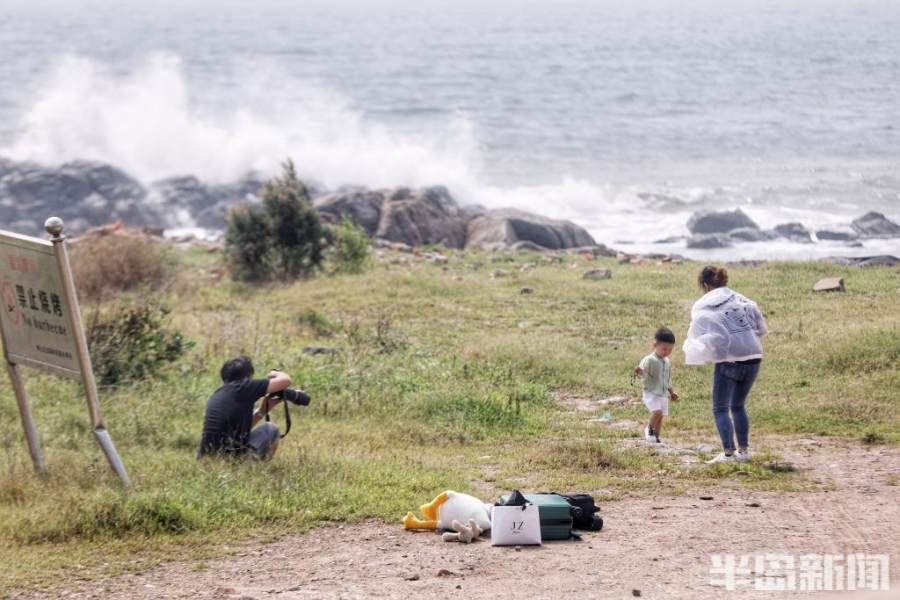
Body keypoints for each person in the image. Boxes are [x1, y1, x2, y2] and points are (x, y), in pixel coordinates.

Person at [684, 266, 768, 464]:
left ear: (705, 285)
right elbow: (761, 329)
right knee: (738, 406)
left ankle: (728, 453)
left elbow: (702, 336)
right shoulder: (742, 300)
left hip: (730, 361)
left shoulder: (703, 305)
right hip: (754, 357)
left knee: (720, 409)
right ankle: (744, 452)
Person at [197, 355, 292, 459]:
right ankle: (259, 468)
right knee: (271, 429)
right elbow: (286, 381)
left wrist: (262, 411)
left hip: (207, 457)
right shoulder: (244, 386)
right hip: (230, 456)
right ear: (247, 376)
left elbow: (240, 431)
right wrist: (275, 373)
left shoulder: (218, 394)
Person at [634, 327, 679, 444]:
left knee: (661, 417)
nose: (667, 352)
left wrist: (671, 392)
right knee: (657, 412)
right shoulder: (649, 359)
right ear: (655, 344)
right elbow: (643, 373)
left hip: (662, 394)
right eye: (664, 348)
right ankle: (649, 429)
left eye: (670, 349)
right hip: (651, 393)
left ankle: (657, 439)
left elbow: (667, 379)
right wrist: (639, 372)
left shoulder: (667, 362)